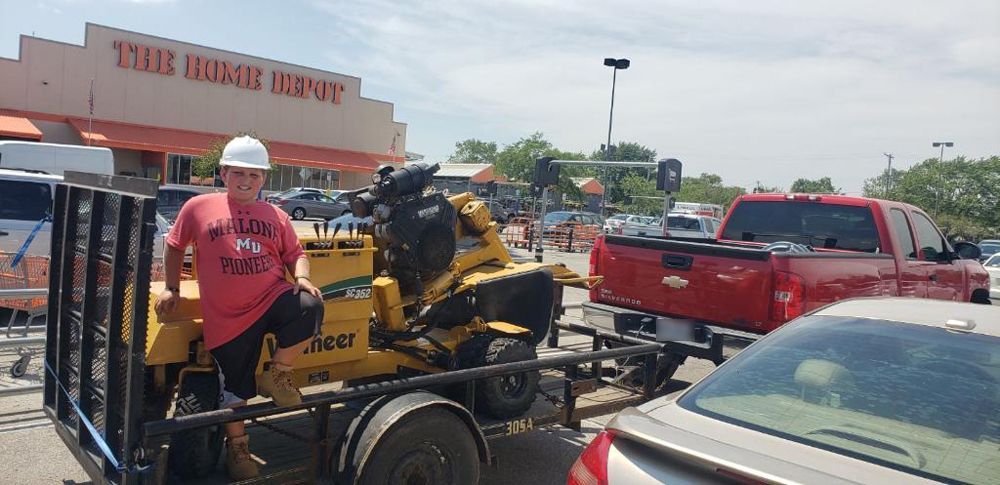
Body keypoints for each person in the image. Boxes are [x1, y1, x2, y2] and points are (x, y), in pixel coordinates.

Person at [154, 135, 323, 480]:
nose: (246, 182)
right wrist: (172, 288)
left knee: (309, 306)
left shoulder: (275, 214)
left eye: (255, 175)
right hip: (229, 319)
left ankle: (278, 373)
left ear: (264, 178)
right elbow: (174, 246)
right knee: (235, 389)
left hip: (271, 297)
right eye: (238, 174)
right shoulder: (198, 207)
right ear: (223, 173)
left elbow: (296, 254)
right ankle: (238, 448)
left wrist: (302, 277)